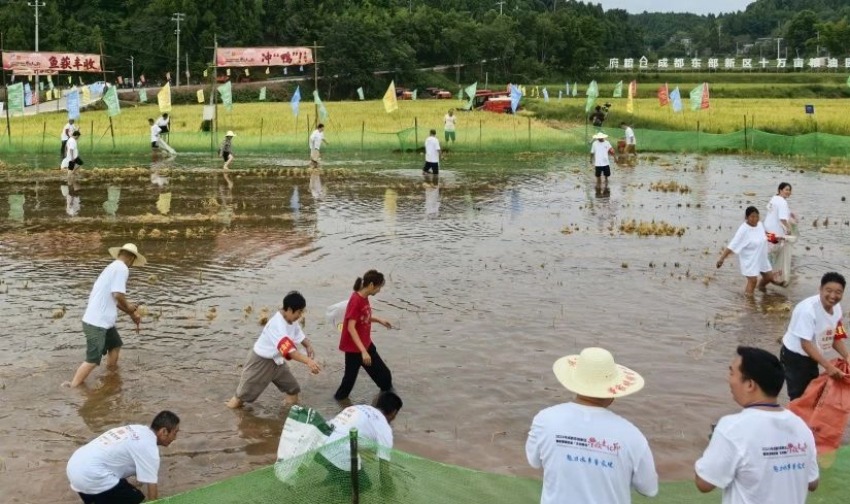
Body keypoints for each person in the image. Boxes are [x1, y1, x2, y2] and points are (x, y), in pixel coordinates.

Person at [526, 347, 658, 504]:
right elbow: (649, 489)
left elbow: (534, 462)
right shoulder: (632, 436)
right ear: (612, 393)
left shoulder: (544, 420)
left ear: (575, 385)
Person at [695, 346, 819, 503]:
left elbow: (704, 483)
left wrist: (714, 446)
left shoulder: (731, 428)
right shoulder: (801, 427)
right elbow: (812, 482)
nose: (729, 379)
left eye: (732, 372)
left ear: (750, 385)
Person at [65, 244, 146, 388]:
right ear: (132, 258)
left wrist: (131, 313)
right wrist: (129, 307)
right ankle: (73, 387)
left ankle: (111, 377)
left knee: (115, 345)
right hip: (97, 323)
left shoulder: (112, 267)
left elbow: (113, 299)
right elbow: (118, 295)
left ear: (120, 253)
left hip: (103, 321)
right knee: (93, 359)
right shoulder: (122, 268)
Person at [226, 291, 320, 409]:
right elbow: (290, 352)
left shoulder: (291, 319)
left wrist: (308, 345)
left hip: (277, 362)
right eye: (299, 312)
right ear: (290, 309)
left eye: (301, 311)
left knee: (293, 389)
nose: (300, 315)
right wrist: (309, 361)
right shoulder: (277, 325)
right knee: (241, 398)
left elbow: (297, 332)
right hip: (261, 361)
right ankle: (225, 419)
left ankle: (285, 418)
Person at [66, 411, 180, 504]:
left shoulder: (137, 429)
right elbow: (152, 488)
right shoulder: (149, 448)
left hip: (74, 468)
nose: (175, 438)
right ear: (164, 431)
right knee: (141, 501)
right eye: (175, 433)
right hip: (93, 475)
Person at [780, 272, 849, 400]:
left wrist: (847, 356)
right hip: (795, 357)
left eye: (838, 292)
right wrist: (828, 366)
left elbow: (835, 335)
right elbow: (805, 343)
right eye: (828, 290)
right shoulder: (807, 310)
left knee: (813, 393)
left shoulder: (837, 308)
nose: (833, 296)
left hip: (813, 356)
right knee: (799, 397)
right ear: (820, 289)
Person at [317, 391, 403, 492]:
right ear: (394, 413)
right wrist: (389, 491)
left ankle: (335, 477)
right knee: (363, 486)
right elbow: (384, 471)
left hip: (317, 446)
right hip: (337, 452)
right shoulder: (384, 430)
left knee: (346, 461)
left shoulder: (356, 408)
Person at [333, 270, 394, 405]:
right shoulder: (356, 300)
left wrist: (379, 320)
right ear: (371, 285)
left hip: (365, 344)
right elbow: (350, 327)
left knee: (385, 378)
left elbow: (363, 318)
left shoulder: (364, 298)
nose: (379, 290)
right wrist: (363, 352)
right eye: (379, 287)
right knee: (347, 385)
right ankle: (336, 408)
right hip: (356, 350)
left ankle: (384, 405)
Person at [716, 206, 781, 296]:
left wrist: (776, 238)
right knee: (752, 281)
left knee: (769, 277)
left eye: (757, 216)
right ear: (746, 217)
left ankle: (761, 288)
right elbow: (733, 245)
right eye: (752, 217)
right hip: (750, 259)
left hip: (761, 257)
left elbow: (765, 234)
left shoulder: (760, 224)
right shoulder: (743, 230)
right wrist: (722, 259)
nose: (755, 219)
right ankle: (749, 302)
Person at [764, 183, 796, 286]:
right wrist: (789, 230)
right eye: (786, 189)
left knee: (769, 256)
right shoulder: (782, 202)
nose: (788, 192)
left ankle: (768, 280)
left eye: (789, 190)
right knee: (773, 258)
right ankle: (770, 280)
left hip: (767, 232)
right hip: (775, 235)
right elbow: (782, 219)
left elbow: (773, 212)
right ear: (780, 190)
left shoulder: (774, 198)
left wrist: (790, 214)